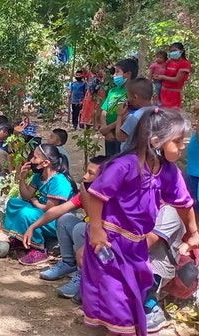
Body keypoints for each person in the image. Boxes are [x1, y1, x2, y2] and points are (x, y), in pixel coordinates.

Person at [81, 108, 199, 336]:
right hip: (109, 241)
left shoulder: (168, 172)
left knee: (130, 293)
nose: (183, 146)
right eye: (177, 141)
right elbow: (97, 195)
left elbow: (184, 203)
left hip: (135, 246)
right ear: (157, 141)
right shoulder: (125, 165)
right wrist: (96, 230)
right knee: (116, 298)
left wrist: (193, 232)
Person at [25, 154, 109, 298]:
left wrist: (85, 196)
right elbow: (58, 210)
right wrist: (33, 227)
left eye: (90, 173)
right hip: (90, 239)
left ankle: (83, 273)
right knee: (64, 219)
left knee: (81, 228)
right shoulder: (86, 192)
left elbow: (96, 222)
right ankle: (68, 263)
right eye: (86, 171)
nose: (84, 177)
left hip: (106, 246)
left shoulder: (108, 196)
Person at [2, 144, 74, 265]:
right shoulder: (38, 176)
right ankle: (20, 239)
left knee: (26, 213)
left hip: (55, 220)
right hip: (41, 213)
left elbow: (49, 209)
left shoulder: (59, 180)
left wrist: (34, 201)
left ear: (45, 163)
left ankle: (39, 249)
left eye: (34, 158)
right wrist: (22, 178)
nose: (31, 161)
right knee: (13, 203)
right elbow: (26, 196)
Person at [98, 58, 138, 157]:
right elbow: (104, 111)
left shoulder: (133, 93)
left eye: (117, 72)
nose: (114, 75)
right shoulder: (112, 91)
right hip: (109, 136)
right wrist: (105, 129)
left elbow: (128, 115)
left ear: (128, 74)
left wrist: (107, 128)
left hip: (122, 135)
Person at [115, 77, 154, 152]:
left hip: (131, 156)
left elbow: (120, 137)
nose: (127, 100)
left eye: (128, 96)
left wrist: (119, 115)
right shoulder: (158, 112)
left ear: (135, 97)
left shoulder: (135, 117)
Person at [155, 42, 191, 109]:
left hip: (173, 94)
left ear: (181, 51)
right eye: (171, 51)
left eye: (174, 50)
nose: (172, 53)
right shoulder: (170, 62)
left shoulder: (185, 64)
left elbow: (177, 79)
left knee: (171, 115)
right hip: (163, 91)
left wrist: (162, 77)